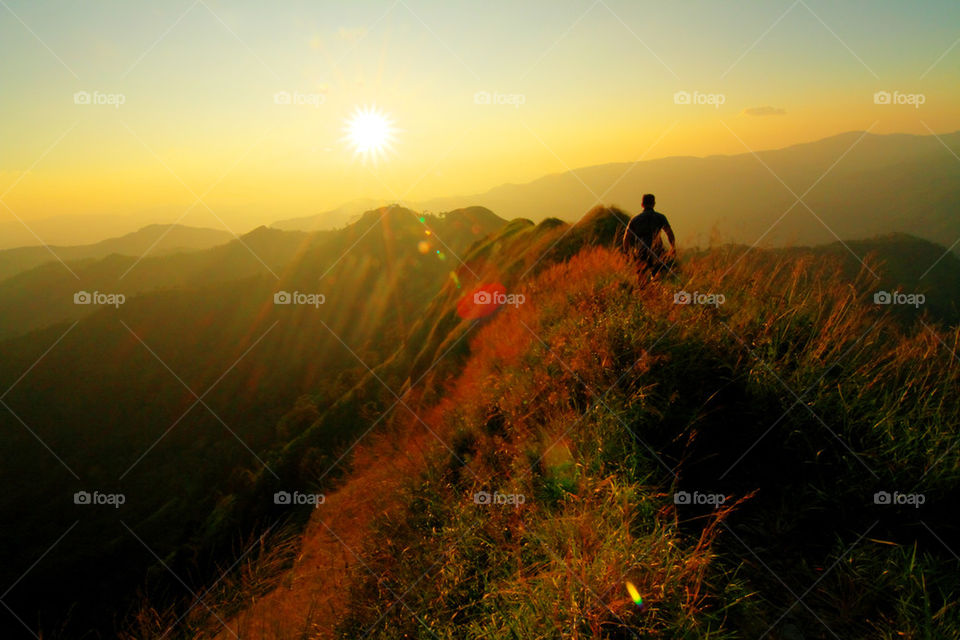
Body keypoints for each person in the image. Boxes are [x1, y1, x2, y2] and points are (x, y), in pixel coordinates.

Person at [621, 194, 676, 279]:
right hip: (657, 250)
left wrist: (626, 253)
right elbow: (669, 233)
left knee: (641, 276)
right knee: (658, 276)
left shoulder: (635, 219)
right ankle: (656, 283)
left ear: (642, 204)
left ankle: (643, 286)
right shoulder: (660, 217)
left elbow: (626, 238)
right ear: (654, 204)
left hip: (641, 251)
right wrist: (673, 247)